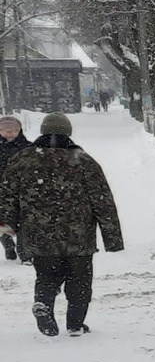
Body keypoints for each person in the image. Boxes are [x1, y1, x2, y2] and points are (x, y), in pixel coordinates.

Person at [0, 113, 123, 336]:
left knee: (46, 275)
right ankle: (75, 324)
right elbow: (102, 200)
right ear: (68, 132)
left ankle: (44, 304)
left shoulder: (22, 159)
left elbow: (8, 195)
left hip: (38, 233)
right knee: (80, 280)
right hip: (79, 234)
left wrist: (7, 224)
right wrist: (112, 238)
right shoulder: (83, 160)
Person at [0, 115, 31, 262]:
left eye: (13, 131)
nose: (9, 133)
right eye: (5, 131)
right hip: (1, 190)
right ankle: (7, 244)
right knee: (3, 221)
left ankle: (24, 252)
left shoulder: (27, 147)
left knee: (24, 221)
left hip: (22, 189)